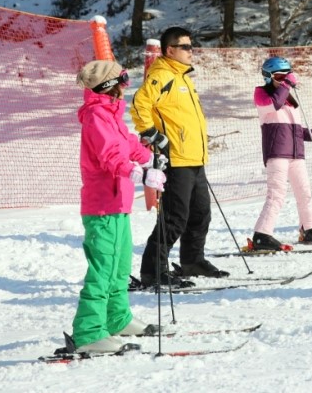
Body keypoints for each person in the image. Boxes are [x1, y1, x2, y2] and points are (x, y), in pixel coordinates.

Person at [71, 60, 167, 353]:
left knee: (120, 266)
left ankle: (117, 318)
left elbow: (126, 144)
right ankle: (88, 333)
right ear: (108, 86)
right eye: (122, 80)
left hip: (118, 204)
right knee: (103, 269)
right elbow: (110, 156)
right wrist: (137, 172)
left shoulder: (110, 115)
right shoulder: (96, 116)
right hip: (102, 206)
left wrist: (150, 159)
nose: (125, 86)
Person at [130, 27, 229, 286]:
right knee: (174, 218)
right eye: (185, 47)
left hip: (194, 158)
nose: (190, 51)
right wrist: (152, 134)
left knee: (200, 214)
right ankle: (153, 271)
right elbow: (139, 104)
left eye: (191, 46)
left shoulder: (183, 77)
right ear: (170, 50)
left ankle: (192, 261)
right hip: (176, 159)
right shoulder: (162, 75)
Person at [248, 56, 312, 252]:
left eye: (287, 75)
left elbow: (294, 130)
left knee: (305, 193)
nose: (284, 79)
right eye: (279, 76)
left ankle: (309, 228)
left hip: (296, 154)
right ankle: (261, 235)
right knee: (276, 194)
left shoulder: (288, 100)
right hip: (277, 153)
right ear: (268, 77)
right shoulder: (262, 94)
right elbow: (274, 104)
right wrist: (286, 85)